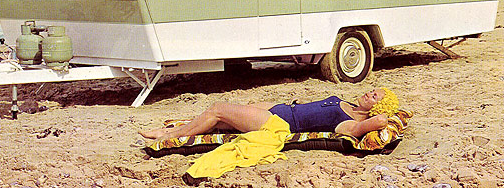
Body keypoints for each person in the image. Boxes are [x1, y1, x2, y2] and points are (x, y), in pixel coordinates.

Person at [141, 88, 399, 140]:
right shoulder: (346, 103)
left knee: (218, 109)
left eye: (375, 97)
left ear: (378, 107)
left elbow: (379, 123)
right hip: (279, 110)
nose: (368, 93)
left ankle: (168, 135)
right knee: (223, 117)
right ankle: (178, 129)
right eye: (372, 91)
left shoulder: (351, 123)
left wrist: (384, 115)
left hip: (278, 123)